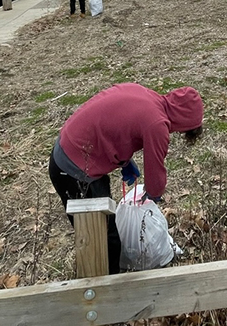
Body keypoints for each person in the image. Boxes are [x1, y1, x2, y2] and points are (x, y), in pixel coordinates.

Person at [48, 83, 204, 273]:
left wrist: (124, 161)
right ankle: (104, 291)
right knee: (103, 239)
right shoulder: (157, 124)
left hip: (68, 150)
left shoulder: (145, 94)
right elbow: (155, 177)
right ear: (184, 122)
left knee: (105, 230)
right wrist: (153, 195)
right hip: (72, 170)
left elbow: (116, 126)